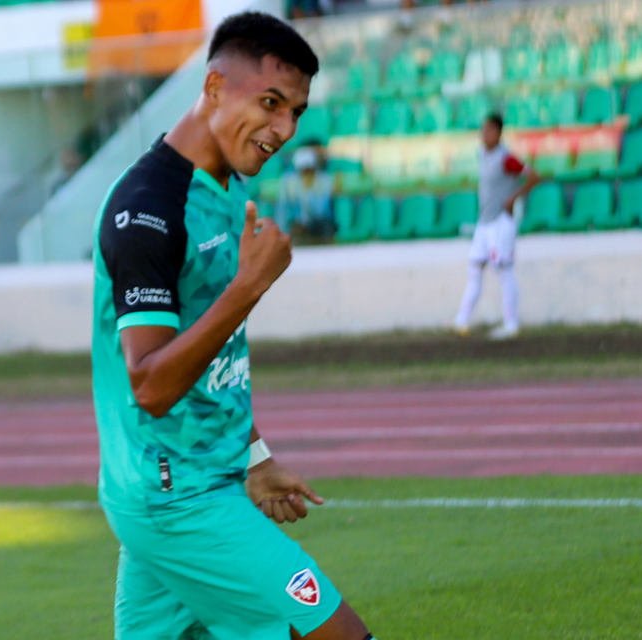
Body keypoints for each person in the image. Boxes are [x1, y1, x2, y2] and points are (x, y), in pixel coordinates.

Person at [91, 12, 376, 640]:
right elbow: (152, 385)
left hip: (198, 483)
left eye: (295, 112)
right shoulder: (147, 210)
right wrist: (248, 288)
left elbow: (212, 367)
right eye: (270, 103)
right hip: (177, 498)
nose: (283, 129)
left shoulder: (220, 188)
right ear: (215, 87)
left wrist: (254, 455)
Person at [453, 113, 541, 340]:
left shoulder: (506, 159)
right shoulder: (483, 155)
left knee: (503, 272)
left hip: (501, 223)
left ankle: (511, 324)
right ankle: (461, 321)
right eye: (483, 130)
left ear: (499, 133)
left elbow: (534, 176)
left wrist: (515, 197)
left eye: (489, 130)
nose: (484, 135)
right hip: (484, 222)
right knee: (474, 270)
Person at [276, 146, 336, 243]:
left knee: (325, 226)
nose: (306, 174)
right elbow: (283, 210)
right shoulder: (289, 182)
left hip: (319, 223)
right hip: (297, 223)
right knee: (294, 228)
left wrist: (309, 193)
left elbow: (321, 211)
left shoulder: (324, 181)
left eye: (309, 170)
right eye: (303, 170)